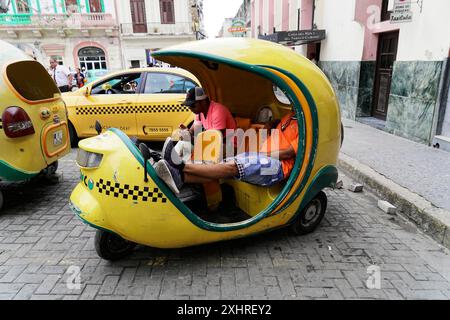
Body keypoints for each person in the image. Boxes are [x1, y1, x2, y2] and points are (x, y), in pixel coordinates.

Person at [155, 110, 299, 194]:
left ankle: (181, 166)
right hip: (261, 156)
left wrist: (262, 154)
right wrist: (269, 125)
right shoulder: (290, 115)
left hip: (277, 166)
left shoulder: (304, 125)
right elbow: (278, 123)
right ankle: (179, 177)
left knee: (234, 166)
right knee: (221, 166)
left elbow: (288, 153)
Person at [162, 87, 237, 162]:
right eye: (189, 106)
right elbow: (192, 132)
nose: (190, 108)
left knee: (202, 154)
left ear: (203, 102)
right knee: (182, 144)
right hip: (212, 144)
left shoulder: (217, 111)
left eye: (193, 105)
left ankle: (186, 168)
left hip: (229, 145)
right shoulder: (199, 113)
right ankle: (168, 163)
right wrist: (186, 132)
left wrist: (193, 140)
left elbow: (217, 139)